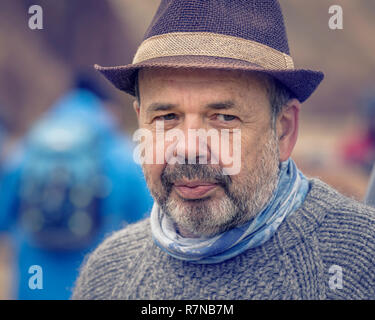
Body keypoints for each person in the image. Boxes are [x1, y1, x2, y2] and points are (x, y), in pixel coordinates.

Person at [72, 0, 375, 299]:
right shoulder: (107, 275)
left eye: (224, 118)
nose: (189, 149)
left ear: (283, 130)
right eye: (166, 118)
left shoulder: (362, 261)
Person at [0, 79, 153, 299]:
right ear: (106, 107)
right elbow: (149, 225)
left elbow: (3, 219)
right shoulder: (122, 155)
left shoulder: (28, 150)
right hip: (95, 282)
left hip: (35, 281)